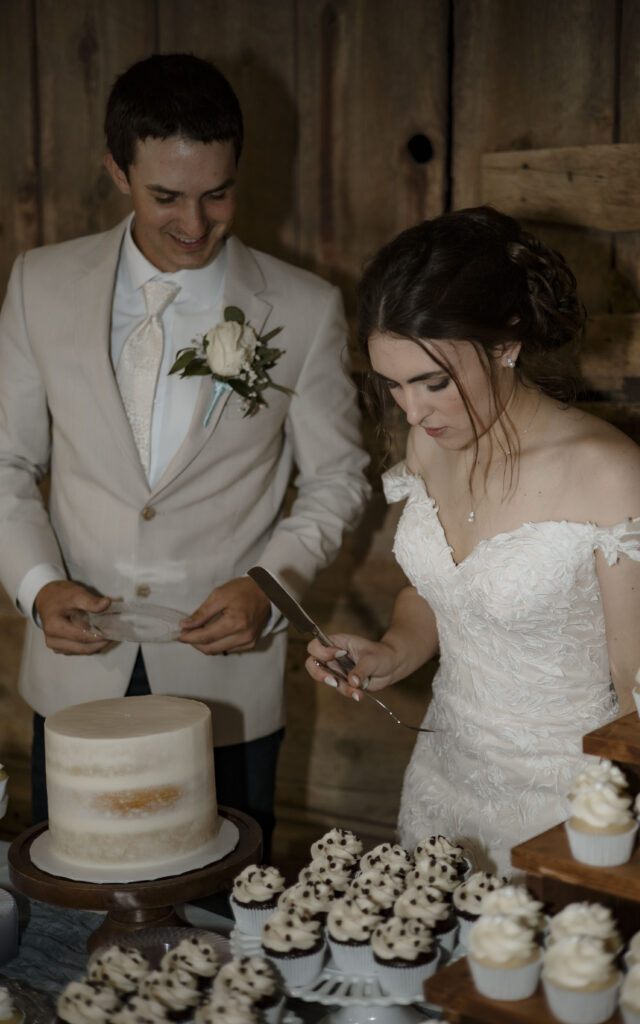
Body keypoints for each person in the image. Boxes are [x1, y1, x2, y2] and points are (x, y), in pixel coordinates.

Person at [0, 53, 370, 857]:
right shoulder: (39, 285)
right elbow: (6, 465)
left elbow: (338, 479)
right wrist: (36, 587)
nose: (195, 224)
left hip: (228, 685)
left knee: (224, 914)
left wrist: (269, 589)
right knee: (70, 906)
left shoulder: (304, 309)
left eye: (217, 193)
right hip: (74, 677)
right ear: (115, 168)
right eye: (166, 196)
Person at [306, 206, 640, 875]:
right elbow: (437, 592)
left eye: (433, 382)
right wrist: (392, 650)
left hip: (571, 802)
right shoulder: (430, 442)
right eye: (390, 385)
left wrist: (622, 848)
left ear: (506, 345)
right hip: (441, 779)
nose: (412, 412)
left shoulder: (609, 475)